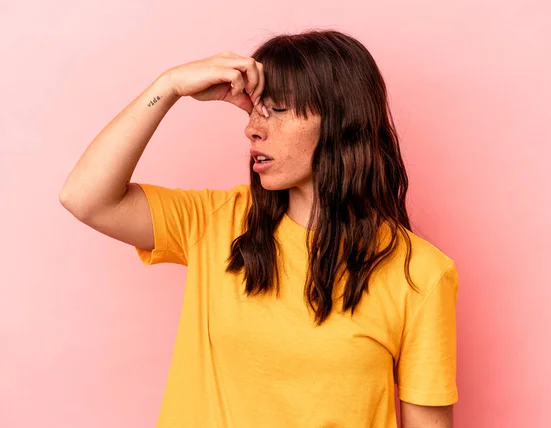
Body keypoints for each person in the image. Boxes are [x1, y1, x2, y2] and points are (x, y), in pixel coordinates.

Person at [60, 29, 459, 428]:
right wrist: (168, 87)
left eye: (278, 110)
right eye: (255, 109)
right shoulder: (216, 221)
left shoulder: (420, 273)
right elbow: (85, 197)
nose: (252, 128)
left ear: (340, 122)